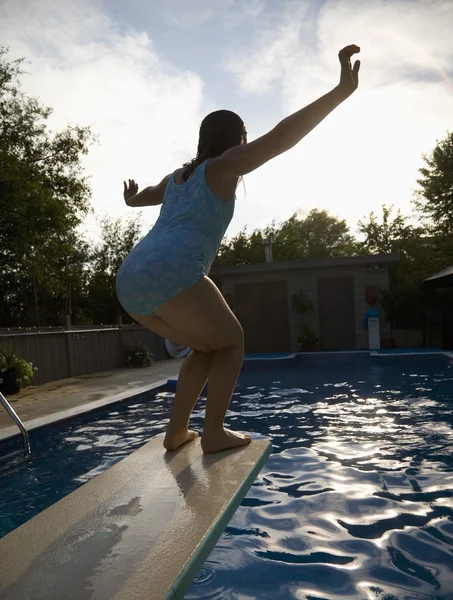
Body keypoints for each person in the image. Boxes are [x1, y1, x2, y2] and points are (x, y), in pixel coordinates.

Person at [116, 44, 361, 454]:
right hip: (174, 271)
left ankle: (176, 432)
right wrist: (339, 93)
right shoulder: (225, 164)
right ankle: (213, 433)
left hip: (130, 280)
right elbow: (282, 138)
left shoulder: (179, 176)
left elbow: (149, 196)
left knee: (206, 346)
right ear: (236, 140)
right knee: (232, 342)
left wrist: (131, 200)